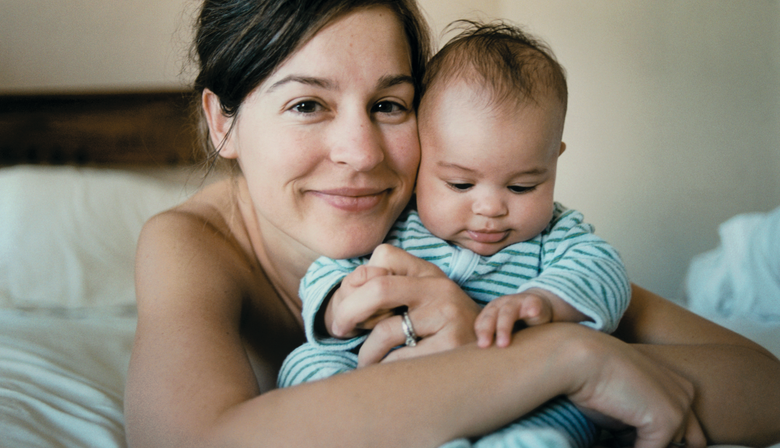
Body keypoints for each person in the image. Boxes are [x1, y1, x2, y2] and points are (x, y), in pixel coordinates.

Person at [123, 1, 780, 447]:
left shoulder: (453, 226)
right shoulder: (192, 244)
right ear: (223, 121)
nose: (363, 154)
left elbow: (763, 385)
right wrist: (568, 360)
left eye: (388, 104)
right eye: (306, 103)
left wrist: (503, 339)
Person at [278, 22, 630, 448]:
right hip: (385, 383)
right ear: (424, 157)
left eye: (522, 187)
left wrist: (544, 303)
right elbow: (328, 269)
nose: (490, 208)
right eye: (461, 185)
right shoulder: (396, 226)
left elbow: (604, 268)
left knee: (568, 409)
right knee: (307, 361)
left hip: (507, 390)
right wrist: (337, 305)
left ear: (553, 160)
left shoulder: (554, 234)